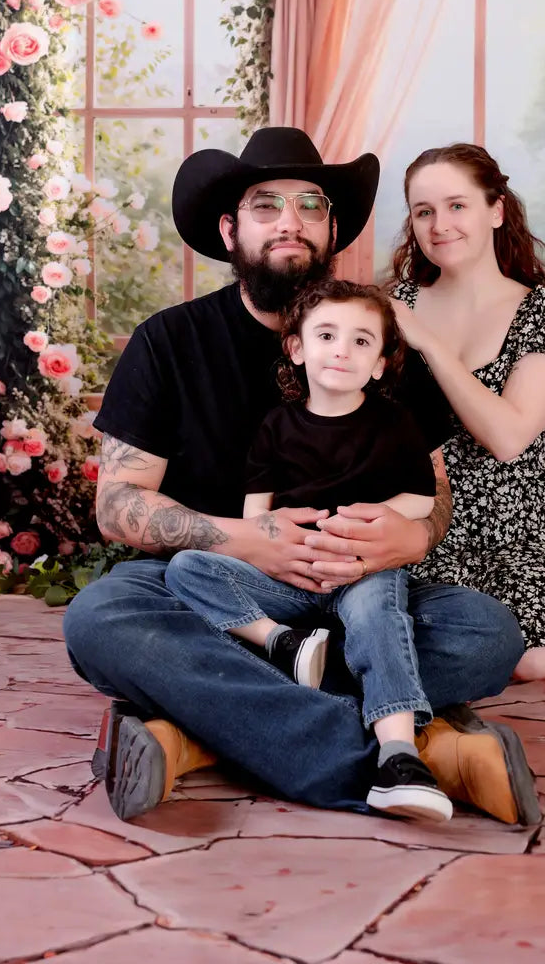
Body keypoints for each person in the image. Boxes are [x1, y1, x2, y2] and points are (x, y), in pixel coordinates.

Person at [62, 127, 540, 828]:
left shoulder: (379, 340)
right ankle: (410, 753)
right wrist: (245, 540)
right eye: (265, 205)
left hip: (356, 589)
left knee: (487, 633)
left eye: (310, 205)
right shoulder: (169, 341)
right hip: (218, 594)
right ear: (229, 231)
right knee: (102, 618)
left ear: (332, 228)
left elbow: (435, 492)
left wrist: (410, 537)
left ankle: (199, 730)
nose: (290, 221)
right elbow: (118, 504)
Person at [167, 278, 453, 823]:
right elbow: (255, 518)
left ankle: (397, 755)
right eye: (326, 334)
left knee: (385, 611)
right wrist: (276, 541)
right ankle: (282, 643)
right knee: (187, 567)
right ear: (298, 349)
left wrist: (365, 525)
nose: (342, 349)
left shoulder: (394, 424)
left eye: (362, 341)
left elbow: (421, 497)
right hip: (288, 578)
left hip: (360, 566)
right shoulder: (276, 426)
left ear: (379, 364)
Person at [390, 142, 545, 681]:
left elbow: (508, 438)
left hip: (518, 536)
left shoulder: (541, 312)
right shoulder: (394, 306)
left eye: (457, 206)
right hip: (420, 526)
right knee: (402, 627)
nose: (440, 225)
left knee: (533, 659)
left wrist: (428, 343)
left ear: (495, 210)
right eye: (423, 211)